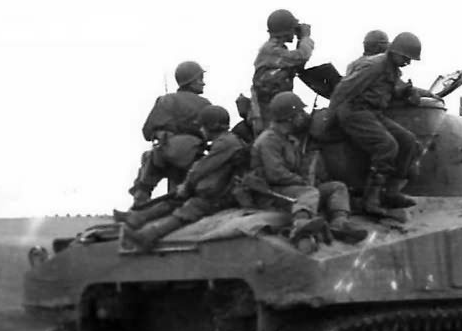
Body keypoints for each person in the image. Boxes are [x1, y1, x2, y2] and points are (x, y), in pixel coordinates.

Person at [328, 32, 428, 215]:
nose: (408, 62)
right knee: (386, 145)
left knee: (408, 141)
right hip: (354, 111)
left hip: (372, 112)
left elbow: (391, 89)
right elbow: (344, 88)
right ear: (395, 51)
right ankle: (371, 198)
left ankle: (391, 192)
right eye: (406, 58)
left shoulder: (392, 70)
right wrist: (330, 117)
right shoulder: (374, 66)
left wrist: (408, 94)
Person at [123, 105, 248, 251]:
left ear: (211, 126)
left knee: (191, 208)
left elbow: (201, 169)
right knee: (176, 200)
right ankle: (139, 219)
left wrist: (187, 186)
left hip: (220, 195)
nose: (201, 130)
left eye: (203, 127)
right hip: (220, 190)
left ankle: (149, 236)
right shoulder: (228, 141)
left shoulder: (226, 143)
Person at [250, 92, 367, 247]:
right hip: (271, 191)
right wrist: (303, 181)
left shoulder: (289, 139)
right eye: (299, 113)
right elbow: (275, 174)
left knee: (337, 187)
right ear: (289, 118)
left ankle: (339, 222)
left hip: (292, 187)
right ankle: (300, 225)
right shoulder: (268, 140)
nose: (303, 116)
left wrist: (310, 177)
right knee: (309, 192)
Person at [127, 61, 211, 207]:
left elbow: (147, 132)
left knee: (148, 161)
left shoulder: (165, 101)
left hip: (163, 157)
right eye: (200, 79)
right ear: (190, 81)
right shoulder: (205, 105)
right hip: (192, 160)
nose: (203, 83)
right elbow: (211, 135)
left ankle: (139, 202)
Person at [250, 9, 313, 135]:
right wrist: (305, 37)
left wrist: (301, 40)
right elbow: (301, 56)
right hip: (268, 115)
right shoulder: (270, 50)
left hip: (277, 110)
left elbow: (297, 64)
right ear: (287, 31)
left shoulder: (277, 50)